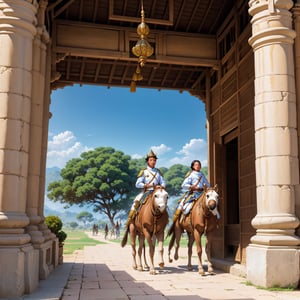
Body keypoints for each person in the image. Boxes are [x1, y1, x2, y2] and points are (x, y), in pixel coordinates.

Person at [125, 149, 166, 226]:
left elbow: (163, 182)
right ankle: (130, 221)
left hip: (157, 192)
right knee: (136, 203)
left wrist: (162, 186)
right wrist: (145, 185)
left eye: (154, 160)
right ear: (147, 161)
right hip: (146, 192)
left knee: (164, 204)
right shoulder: (144, 171)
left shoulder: (158, 172)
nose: (153, 162)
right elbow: (137, 184)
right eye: (151, 160)